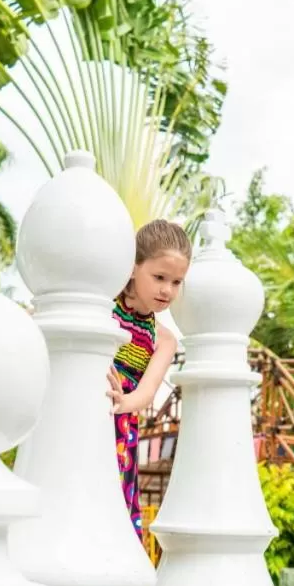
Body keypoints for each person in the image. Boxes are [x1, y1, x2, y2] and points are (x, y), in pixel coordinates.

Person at [106, 219, 192, 540]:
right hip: (84, 405)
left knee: (114, 495)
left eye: (176, 282)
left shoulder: (162, 339)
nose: (167, 290)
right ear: (132, 268)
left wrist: (121, 402)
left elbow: (147, 392)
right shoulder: (103, 306)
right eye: (159, 277)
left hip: (120, 421)